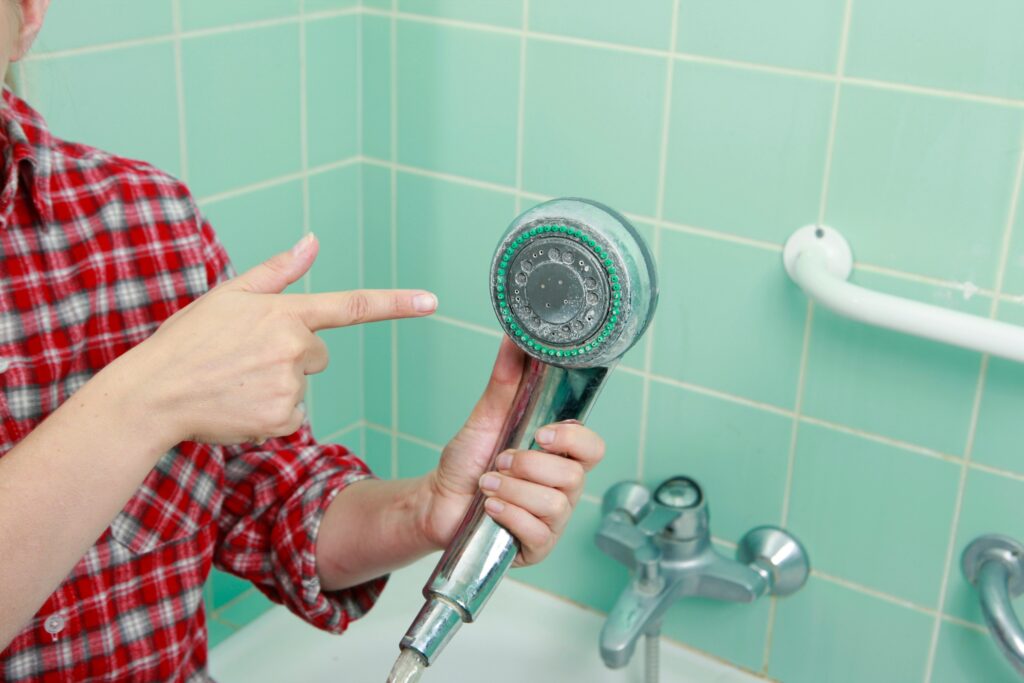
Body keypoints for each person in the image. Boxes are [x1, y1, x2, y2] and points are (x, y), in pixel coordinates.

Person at [0, 1, 606, 680]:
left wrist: (428, 509)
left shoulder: (147, 219)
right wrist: (146, 398)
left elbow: (266, 500)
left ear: (24, 16)